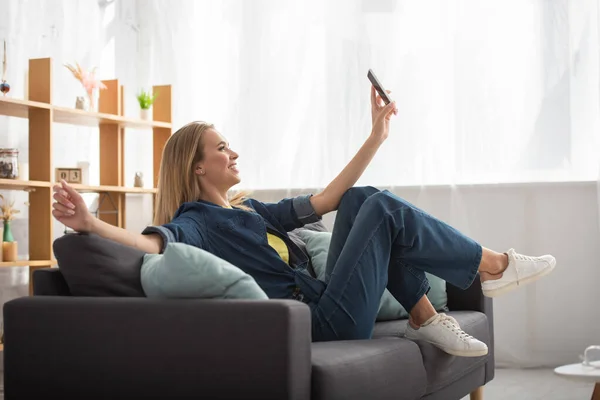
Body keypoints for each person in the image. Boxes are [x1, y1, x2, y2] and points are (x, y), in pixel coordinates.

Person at [52, 87, 556, 357]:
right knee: (376, 207)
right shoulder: (197, 221)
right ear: (197, 166)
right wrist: (92, 224)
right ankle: (491, 265)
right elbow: (150, 244)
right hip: (317, 323)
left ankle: (427, 315)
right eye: (222, 147)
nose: (234, 152)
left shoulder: (251, 210)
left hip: (326, 301)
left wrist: (376, 136)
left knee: (363, 200)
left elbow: (331, 198)